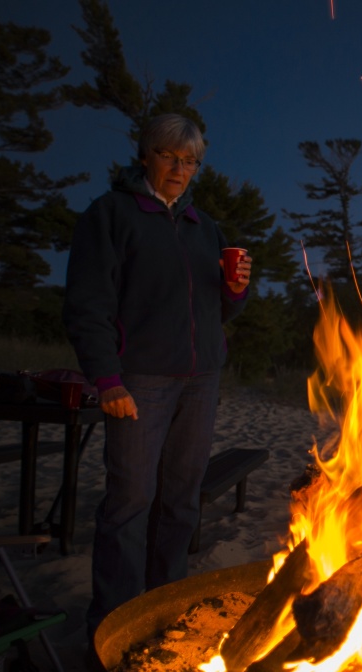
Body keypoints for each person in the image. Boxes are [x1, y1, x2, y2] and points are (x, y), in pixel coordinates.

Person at [63, 113, 251, 637]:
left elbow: (219, 313)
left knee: (180, 501)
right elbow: (86, 306)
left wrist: (234, 291)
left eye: (190, 161)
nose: (180, 168)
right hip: (140, 381)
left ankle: (163, 609)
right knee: (129, 503)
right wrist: (107, 379)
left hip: (200, 380)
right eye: (170, 156)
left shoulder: (203, 227)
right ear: (147, 154)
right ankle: (115, 624)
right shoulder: (111, 215)